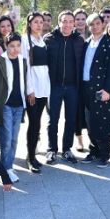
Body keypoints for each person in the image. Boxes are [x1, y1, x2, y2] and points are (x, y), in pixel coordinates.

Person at [45, 10, 84, 164]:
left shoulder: (79, 40)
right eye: (64, 21)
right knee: (52, 119)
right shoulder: (49, 39)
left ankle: (67, 149)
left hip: (73, 87)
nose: (67, 24)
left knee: (70, 120)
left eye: (70, 21)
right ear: (59, 22)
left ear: (73, 23)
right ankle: (51, 150)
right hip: (54, 87)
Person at [80, 14, 110, 168]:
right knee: (90, 121)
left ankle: (104, 154)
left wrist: (108, 90)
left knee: (102, 121)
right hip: (86, 87)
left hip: (101, 88)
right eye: (91, 24)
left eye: (97, 23)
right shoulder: (86, 43)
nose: (95, 26)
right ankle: (94, 150)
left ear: (103, 24)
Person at [0, 33, 27, 182]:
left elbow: (24, 81)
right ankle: (4, 170)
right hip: (5, 104)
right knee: (6, 139)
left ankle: (9, 167)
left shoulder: (23, 60)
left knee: (14, 139)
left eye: (18, 45)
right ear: (6, 46)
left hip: (19, 105)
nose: (15, 49)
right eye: (12, 46)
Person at [21, 12, 50, 172]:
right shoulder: (25, 41)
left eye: (41, 22)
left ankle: (33, 155)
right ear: (29, 24)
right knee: (33, 124)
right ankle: (30, 157)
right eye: (36, 22)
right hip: (33, 89)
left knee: (38, 123)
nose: (39, 24)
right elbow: (26, 68)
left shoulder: (42, 41)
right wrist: (29, 90)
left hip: (44, 88)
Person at [73, 8, 89, 151]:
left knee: (89, 109)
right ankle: (79, 140)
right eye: (77, 19)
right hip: (75, 78)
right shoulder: (70, 36)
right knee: (77, 110)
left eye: (83, 19)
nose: (80, 21)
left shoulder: (92, 36)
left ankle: (92, 138)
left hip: (90, 78)